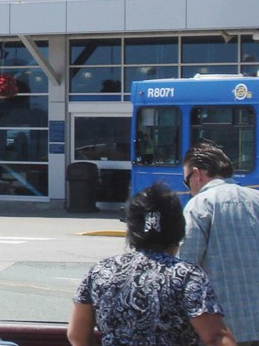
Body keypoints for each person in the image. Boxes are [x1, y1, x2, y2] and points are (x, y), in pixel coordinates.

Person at [68, 182, 235, 346]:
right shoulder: (187, 276)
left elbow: (77, 335)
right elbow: (215, 337)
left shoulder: (100, 271)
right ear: (178, 231)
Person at [179, 141, 259, 346]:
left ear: (197, 174)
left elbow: (187, 266)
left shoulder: (200, 205)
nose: (188, 188)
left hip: (223, 330)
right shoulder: (256, 199)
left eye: (186, 181)